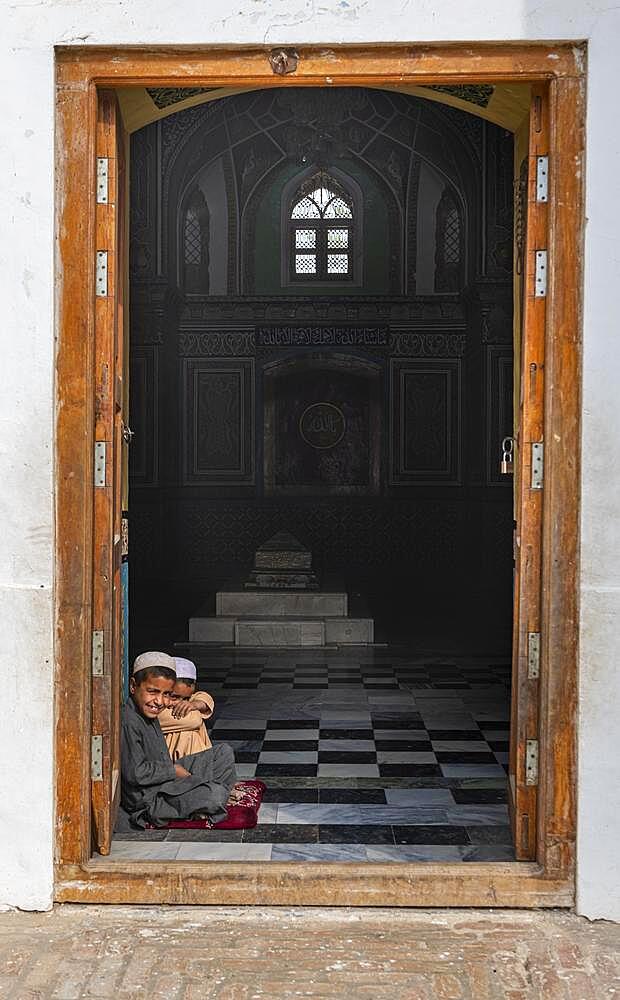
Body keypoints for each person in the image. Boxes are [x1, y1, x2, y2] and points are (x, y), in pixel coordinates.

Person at [118, 651, 237, 830]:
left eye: (167, 694)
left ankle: (199, 794)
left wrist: (177, 774)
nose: (159, 701)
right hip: (152, 800)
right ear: (133, 686)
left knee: (223, 753)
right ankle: (204, 796)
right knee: (216, 794)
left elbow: (203, 698)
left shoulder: (149, 711)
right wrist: (173, 771)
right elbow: (135, 773)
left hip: (166, 780)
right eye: (152, 691)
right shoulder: (129, 721)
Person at [158, 656, 215, 762]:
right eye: (174, 697)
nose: (181, 703)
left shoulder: (189, 702)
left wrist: (196, 704)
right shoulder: (157, 710)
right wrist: (195, 709)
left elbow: (205, 697)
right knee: (188, 736)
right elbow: (195, 720)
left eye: (186, 698)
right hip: (167, 763)